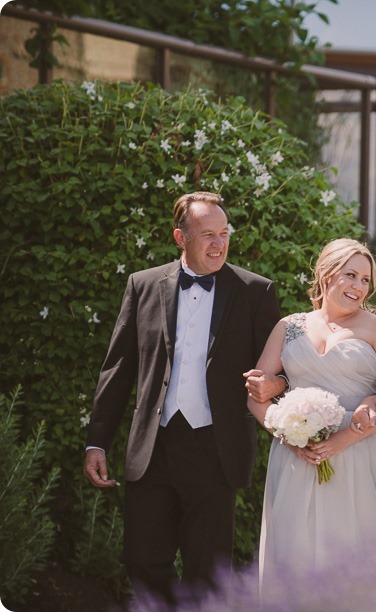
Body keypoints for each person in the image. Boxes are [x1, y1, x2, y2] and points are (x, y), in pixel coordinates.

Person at [83, 191, 281, 606]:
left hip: (216, 448)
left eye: (224, 233)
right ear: (181, 236)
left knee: (208, 571)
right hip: (153, 445)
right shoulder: (144, 284)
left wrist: (276, 389)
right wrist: (97, 439)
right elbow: (118, 368)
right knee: (141, 558)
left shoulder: (255, 291)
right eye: (207, 234)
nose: (219, 243)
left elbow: (278, 370)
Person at [246, 238, 376, 588]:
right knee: (294, 555)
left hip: (361, 453)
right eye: (350, 275)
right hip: (296, 458)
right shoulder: (289, 327)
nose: (359, 287)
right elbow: (256, 395)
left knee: (355, 559)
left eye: (365, 280)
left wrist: (344, 438)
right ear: (324, 273)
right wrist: (286, 434)